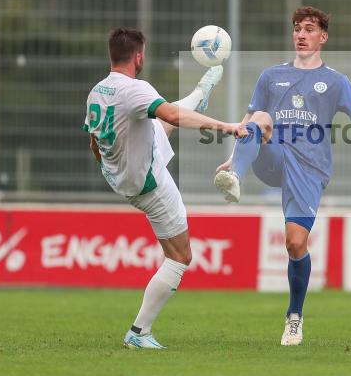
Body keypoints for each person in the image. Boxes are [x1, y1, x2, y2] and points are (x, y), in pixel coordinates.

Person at [214, 6, 351, 346]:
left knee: (295, 243)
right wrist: (235, 157)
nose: (301, 34)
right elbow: (249, 121)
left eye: (309, 29)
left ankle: (294, 318)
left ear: (322, 37)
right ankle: (235, 177)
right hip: (274, 156)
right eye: (297, 28)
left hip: (310, 168)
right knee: (262, 117)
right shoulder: (271, 76)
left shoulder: (336, 81)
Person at [84, 27, 246, 350]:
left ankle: (200, 92)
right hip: (147, 183)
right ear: (138, 57)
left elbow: (94, 143)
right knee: (180, 256)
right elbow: (172, 115)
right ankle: (139, 331)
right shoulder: (135, 90)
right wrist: (228, 127)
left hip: (122, 172)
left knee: (159, 123)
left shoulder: (97, 91)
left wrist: (114, 166)